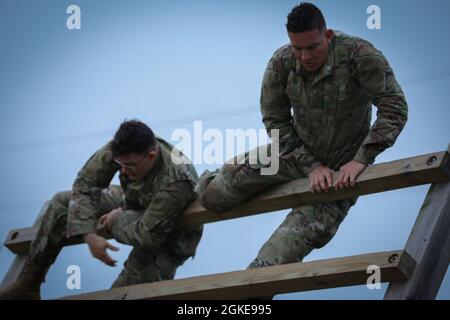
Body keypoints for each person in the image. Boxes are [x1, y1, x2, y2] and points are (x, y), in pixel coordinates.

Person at [196, 2, 407, 283]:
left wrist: (360, 160)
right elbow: (275, 120)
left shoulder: (360, 56)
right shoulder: (281, 63)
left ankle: (245, 299)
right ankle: (203, 179)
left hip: (339, 172)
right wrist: (311, 166)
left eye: (313, 47)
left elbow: (394, 108)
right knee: (212, 197)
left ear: (328, 36)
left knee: (270, 265)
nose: (305, 56)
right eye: (298, 48)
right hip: (291, 154)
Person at [0, 120, 203, 299]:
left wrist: (116, 219)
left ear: (151, 156)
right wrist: (89, 234)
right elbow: (85, 185)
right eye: (119, 164)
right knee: (62, 202)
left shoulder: (177, 180)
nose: (123, 170)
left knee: (128, 291)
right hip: (134, 200)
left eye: (130, 166)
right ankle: (27, 286)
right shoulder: (123, 149)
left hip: (169, 232)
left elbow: (148, 236)